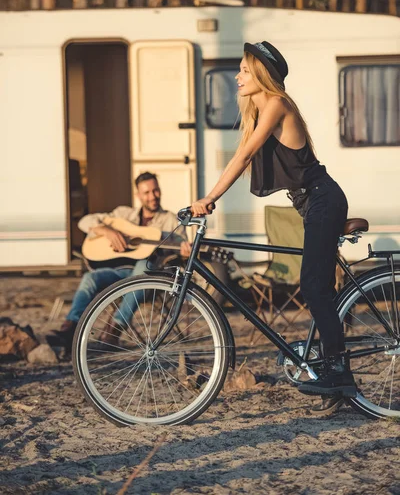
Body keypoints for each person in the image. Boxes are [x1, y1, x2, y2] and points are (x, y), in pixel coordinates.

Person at [190, 41, 356, 416]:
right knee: (314, 285)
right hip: (313, 202)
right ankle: (329, 367)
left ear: (263, 75)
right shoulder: (263, 110)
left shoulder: (278, 105)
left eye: (245, 70)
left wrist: (208, 198)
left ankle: (339, 372)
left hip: (323, 200)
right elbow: (241, 154)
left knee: (314, 286)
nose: (238, 76)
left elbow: (245, 155)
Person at [47, 172, 190, 351]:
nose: (152, 196)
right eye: (146, 193)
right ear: (138, 195)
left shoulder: (170, 220)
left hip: (151, 279)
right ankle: (69, 330)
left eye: (155, 191)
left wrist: (184, 252)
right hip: (121, 272)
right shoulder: (124, 214)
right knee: (90, 278)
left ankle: (114, 331)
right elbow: (84, 221)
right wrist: (106, 231)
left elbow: (181, 251)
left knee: (141, 267)